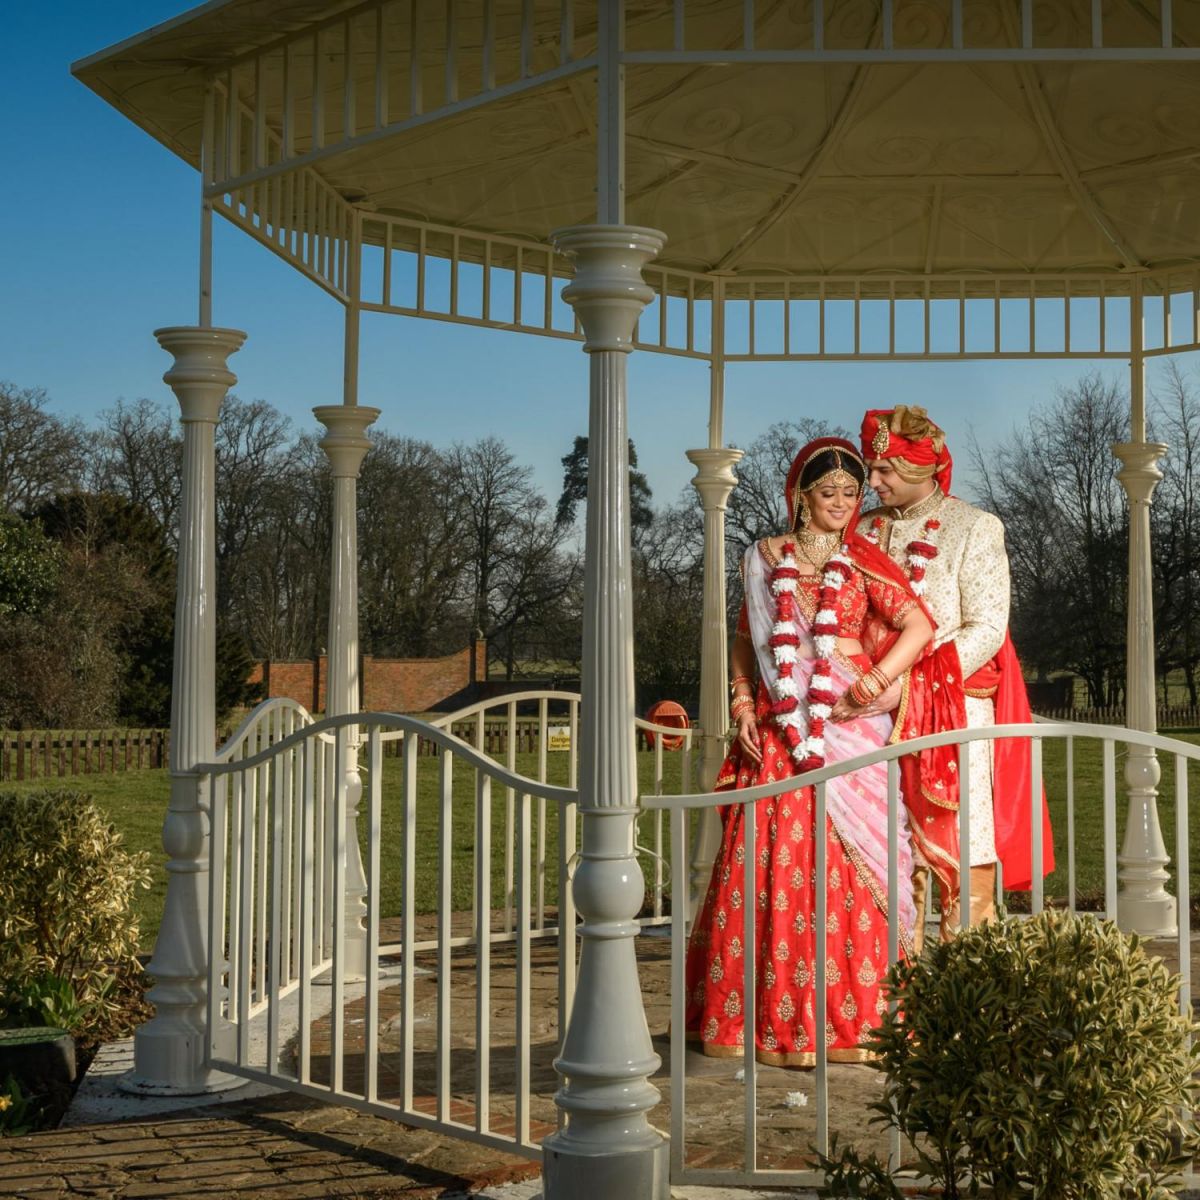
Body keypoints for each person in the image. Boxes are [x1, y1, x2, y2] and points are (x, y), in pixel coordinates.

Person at [685, 437, 935, 1066]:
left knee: (862, 865)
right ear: (801, 495)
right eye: (830, 494)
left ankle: (860, 1019)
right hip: (779, 727)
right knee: (769, 855)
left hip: (850, 720)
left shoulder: (865, 559)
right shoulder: (765, 557)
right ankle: (762, 1017)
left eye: (853, 494)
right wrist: (743, 703)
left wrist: (877, 683)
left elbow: (919, 627)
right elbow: (747, 641)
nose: (844, 505)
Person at [854, 405, 1054, 946]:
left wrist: (911, 683)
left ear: (919, 468)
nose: (871, 483)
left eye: (884, 471)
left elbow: (987, 626)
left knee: (964, 853)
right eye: (870, 471)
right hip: (870, 717)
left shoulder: (976, 527)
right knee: (890, 854)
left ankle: (967, 1008)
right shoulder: (860, 531)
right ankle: (892, 1008)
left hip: (955, 714)